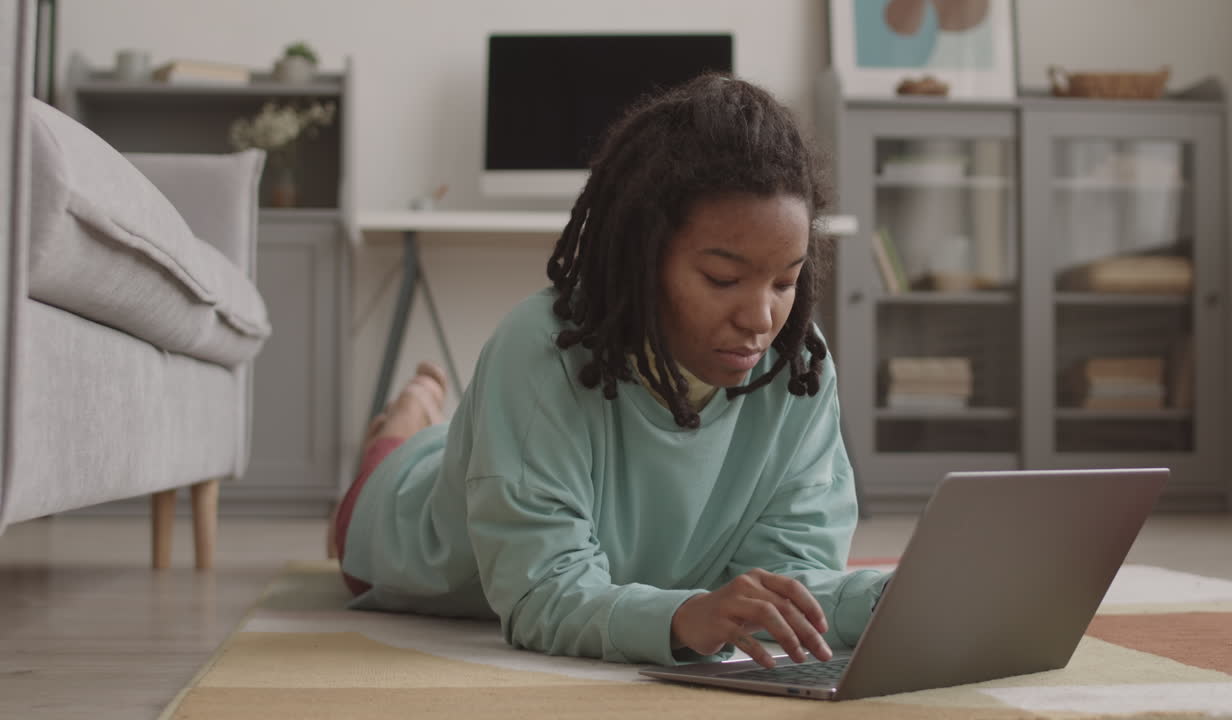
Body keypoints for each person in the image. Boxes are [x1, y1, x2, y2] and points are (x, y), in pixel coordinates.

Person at [330, 73, 891, 669]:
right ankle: (407, 417)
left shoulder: (798, 364)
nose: (760, 317)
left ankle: (424, 419)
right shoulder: (541, 350)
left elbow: (788, 586)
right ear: (643, 255)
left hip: (500, 458)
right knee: (386, 465)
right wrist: (681, 618)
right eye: (722, 280)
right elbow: (539, 590)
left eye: (785, 281)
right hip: (408, 535)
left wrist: (884, 596)